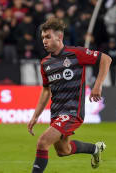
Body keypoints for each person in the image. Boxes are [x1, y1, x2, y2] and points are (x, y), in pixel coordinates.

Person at [27, 17, 110, 172]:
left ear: (60, 37)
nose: (44, 41)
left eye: (48, 37)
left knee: (43, 142)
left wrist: (97, 86)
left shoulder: (76, 53)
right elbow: (46, 90)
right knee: (63, 151)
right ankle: (94, 149)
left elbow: (106, 59)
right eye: (43, 38)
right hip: (57, 111)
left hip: (73, 111)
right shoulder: (45, 63)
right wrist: (35, 116)